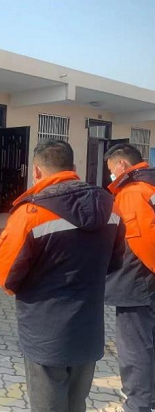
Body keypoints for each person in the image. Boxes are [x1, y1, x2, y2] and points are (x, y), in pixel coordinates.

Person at [0, 140, 124, 412]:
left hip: (46, 333)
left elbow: (5, 275)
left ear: (36, 171)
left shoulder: (31, 213)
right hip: (88, 329)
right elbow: (114, 262)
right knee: (76, 404)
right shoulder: (111, 207)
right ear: (73, 168)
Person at [104, 144, 155, 412]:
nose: (111, 175)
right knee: (148, 341)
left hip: (137, 280)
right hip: (147, 279)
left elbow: (143, 240)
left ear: (121, 165)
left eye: (111, 169)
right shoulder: (150, 186)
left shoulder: (133, 192)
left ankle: (138, 404)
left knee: (134, 347)